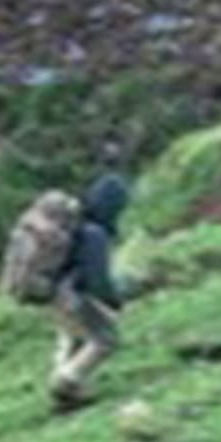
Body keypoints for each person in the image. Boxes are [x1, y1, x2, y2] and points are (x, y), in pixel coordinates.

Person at [49, 159, 131, 411]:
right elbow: (98, 281)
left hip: (52, 291)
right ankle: (65, 383)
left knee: (73, 336)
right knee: (105, 339)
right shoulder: (95, 234)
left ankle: (65, 383)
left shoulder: (76, 224)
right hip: (73, 294)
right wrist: (115, 300)